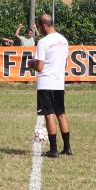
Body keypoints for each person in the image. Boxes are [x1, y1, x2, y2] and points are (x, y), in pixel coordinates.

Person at [31, 12, 71, 157]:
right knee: (61, 114)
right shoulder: (64, 40)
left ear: (43, 25)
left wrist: (31, 63)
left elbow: (40, 67)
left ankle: (53, 150)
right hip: (59, 83)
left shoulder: (43, 42)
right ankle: (67, 147)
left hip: (46, 83)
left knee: (49, 115)